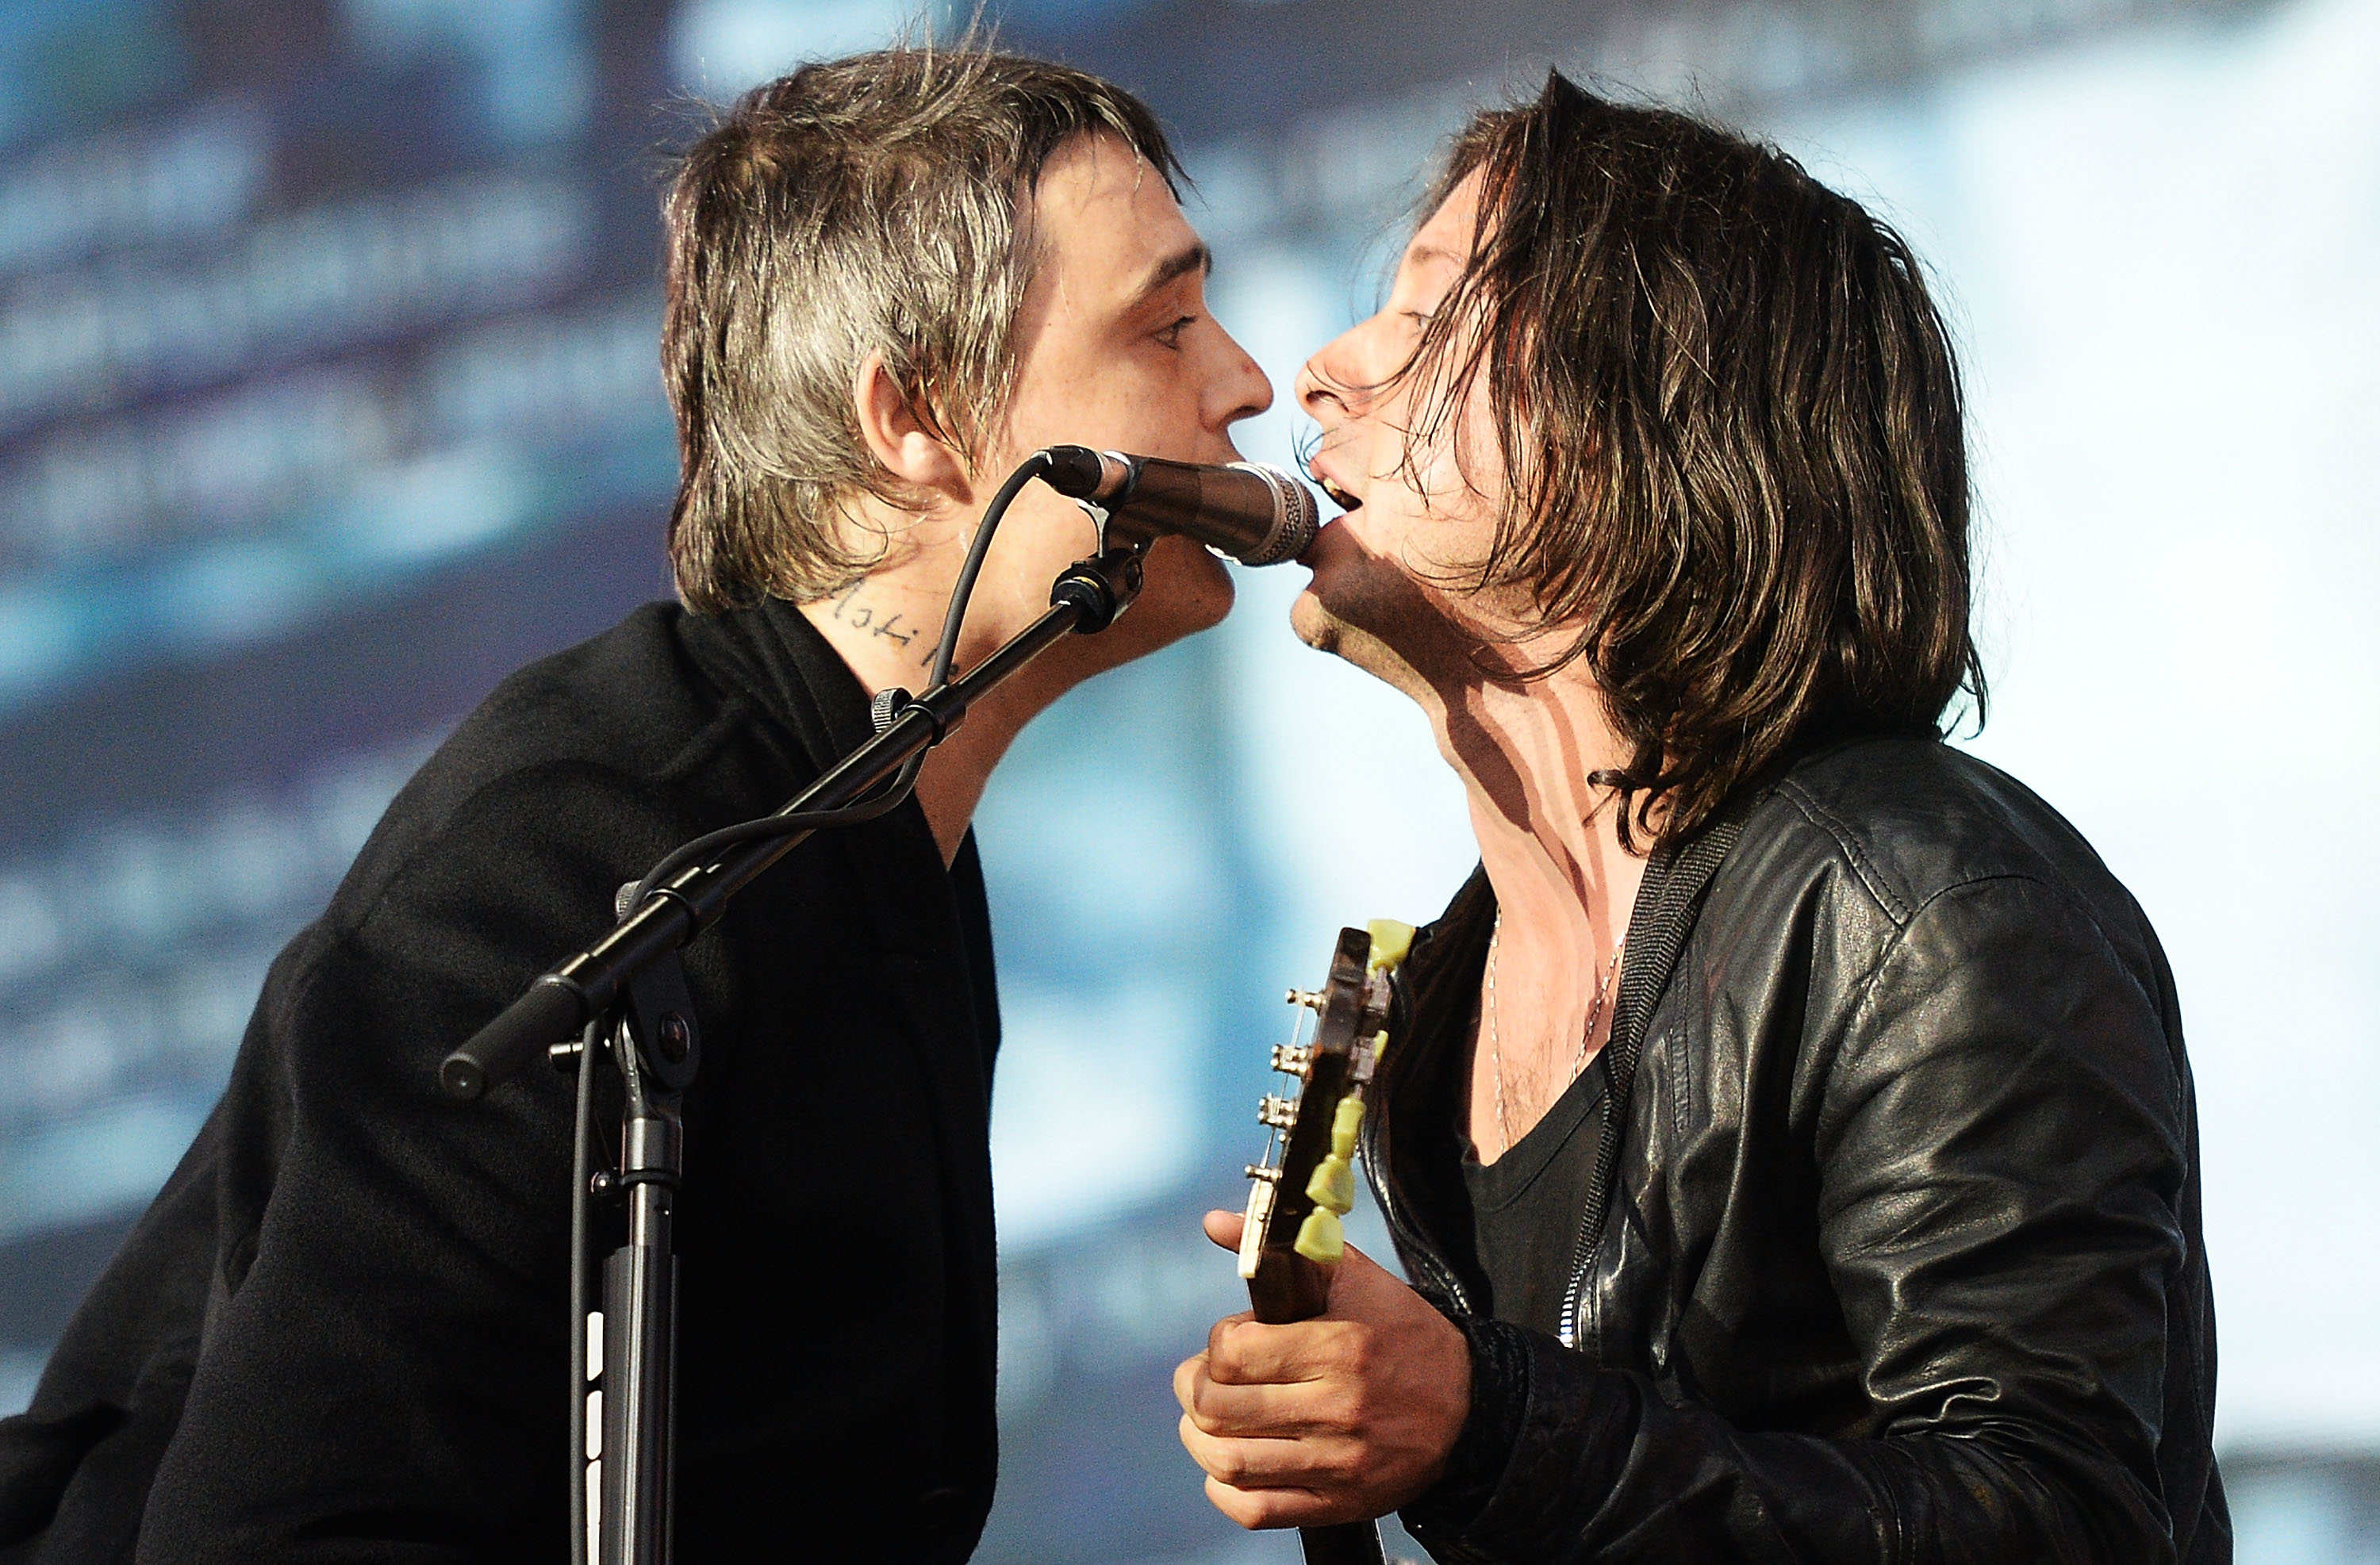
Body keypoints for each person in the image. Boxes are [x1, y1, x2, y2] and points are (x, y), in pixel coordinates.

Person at [0, 47, 1269, 1564]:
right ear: (916, 413)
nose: (1245, 381)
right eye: (1168, 326)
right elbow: (283, 1530)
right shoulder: (588, 837)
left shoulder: (869, 824)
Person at [1173, 72, 2225, 1563]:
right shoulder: (1439, 996)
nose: (1323, 374)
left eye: (1426, 318)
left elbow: (2062, 1521)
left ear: (1638, 417)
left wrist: (1488, 1428)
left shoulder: (1925, 910)